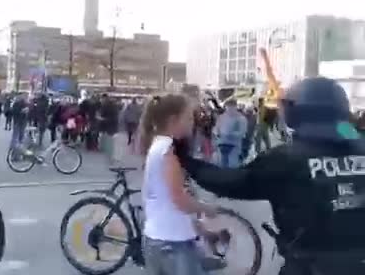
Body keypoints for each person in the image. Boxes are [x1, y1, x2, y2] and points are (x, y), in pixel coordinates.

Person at [176, 77, 365, 275]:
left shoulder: (286, 159)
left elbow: (228, 182)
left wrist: (185, 159)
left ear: (296, 112)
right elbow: (351, 135)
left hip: (310, 266)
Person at [138, 94, 218, 275]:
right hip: (173, 244)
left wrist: (200, 230)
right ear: (174, 120)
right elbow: (178, 199)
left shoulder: (157, 145)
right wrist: (206, 208)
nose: (193, 122)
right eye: (189, 117)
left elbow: (164, 199)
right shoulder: (167, 150)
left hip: (158, 239)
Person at [214, 98, 247, 168]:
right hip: (222, 144)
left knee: (232, 164)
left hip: (234, 145)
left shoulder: (240, 118)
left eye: (231, 107)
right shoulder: (221, 117)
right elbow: (216, 129)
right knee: (222, 164)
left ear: (235, 106)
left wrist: (230, 134)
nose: (229, 109)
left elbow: (242, 132)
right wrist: (218, 133)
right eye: (228, 107)